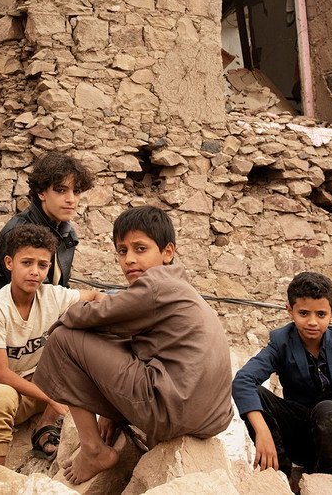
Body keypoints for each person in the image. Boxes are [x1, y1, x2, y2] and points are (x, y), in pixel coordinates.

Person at [33, 206, 233, 484]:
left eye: (140, 249)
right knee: (114, 342)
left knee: (64, 339)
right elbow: (128, 341)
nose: (129, 260)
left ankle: (93, 450)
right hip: (209, 419)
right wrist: (112, 412)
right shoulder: (178, 284)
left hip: (171, 413)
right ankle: (111, 425)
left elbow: (96, 316)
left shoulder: (155, 285)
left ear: (167, 252)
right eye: (122, 251)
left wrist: (63, 319)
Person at [231, 272, 332, 495]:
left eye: (320, 314)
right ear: (290, 311)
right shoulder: (281, 342)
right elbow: (243, 380)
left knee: (328, 409)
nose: (312, 321)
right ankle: (280, 478)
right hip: (302, 436)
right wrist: (262, 431)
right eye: (303, 313)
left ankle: (325, 482)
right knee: (256, 393)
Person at [0, 224, 105, 466]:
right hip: (4, 392)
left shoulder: (52, 296)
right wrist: (53, 398)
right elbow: (1, 374)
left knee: (78, 352)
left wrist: (107, 314)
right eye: (27, 263)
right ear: (9, 263)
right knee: (2, 395)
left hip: (40, 386)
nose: (35, 271)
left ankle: (45, 427)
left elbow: (95, 296)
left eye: (42, 265)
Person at [0, 152, 95, 297]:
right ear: (41, 192)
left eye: (76, 191)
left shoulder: (67, 234)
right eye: (61, 190)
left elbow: (59, 289)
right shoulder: (18, 233)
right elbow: (39, 295)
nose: (71, 199)